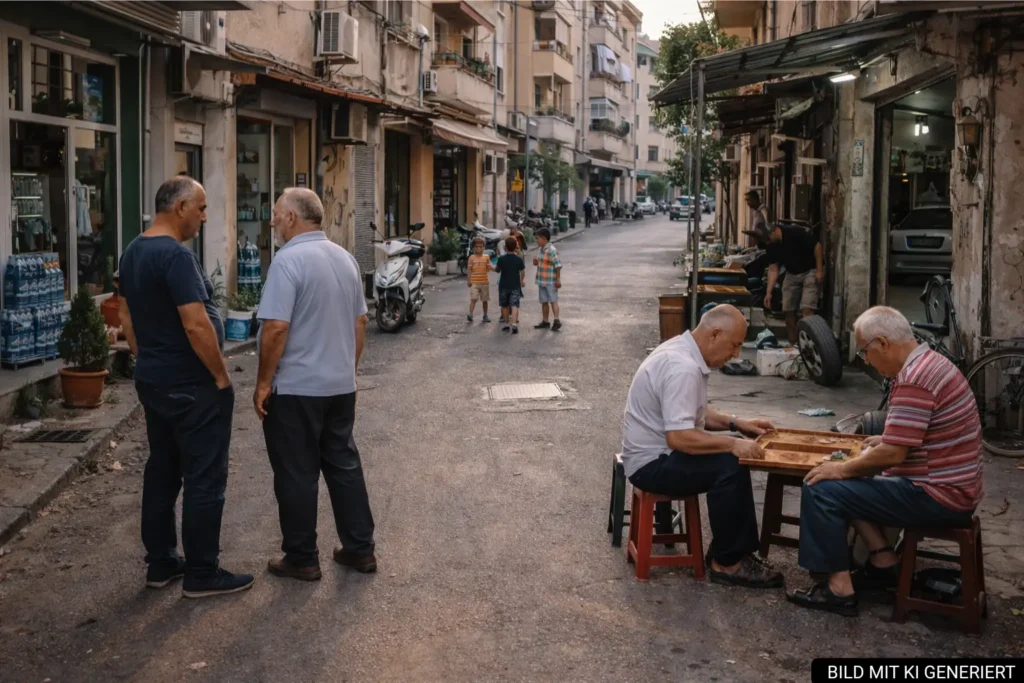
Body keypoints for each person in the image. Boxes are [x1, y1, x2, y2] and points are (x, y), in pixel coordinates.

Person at [788, 306, 983, 616]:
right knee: (851, 478)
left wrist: (841, 468)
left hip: (939, 496)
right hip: (954, 488)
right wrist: (885, 439)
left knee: (821, 487)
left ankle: (838, 589)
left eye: (866, 352)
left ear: (882, 343)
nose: (867, 361)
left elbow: (894, 454)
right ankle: (882, 560)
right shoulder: (931, 363)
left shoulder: (915, 378)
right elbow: (916, 432)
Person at [118, 177, 253, 599]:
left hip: (155, 381)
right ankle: (201, 572)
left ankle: (161, 563)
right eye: (201, 207)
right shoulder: (176, 256)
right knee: (204, 477)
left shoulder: (133, 250)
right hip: (192, 385)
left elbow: (126, 315)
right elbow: (196, 324)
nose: (204, 216)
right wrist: (220, 376)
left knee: (163, 469)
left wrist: (147, 358)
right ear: (179, 208)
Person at [254, 187, 377, 581]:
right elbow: (360, 322)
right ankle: (360, 549)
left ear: (292, 218)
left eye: (277, 213)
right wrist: (346, 370)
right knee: (344, 465)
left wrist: (262, 383)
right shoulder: (345, 258)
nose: (273, 221)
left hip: (297, 389)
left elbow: (276, 328)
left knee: (296, 473)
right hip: (340, 386)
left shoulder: (287, 261)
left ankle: (302, 558)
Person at [621, 305, 784, 588]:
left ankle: (731, 551)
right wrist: (732, 444)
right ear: (715, 335)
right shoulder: (682, 366)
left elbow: (693, 412)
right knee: (729, 466)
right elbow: (679, 437)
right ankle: (728, 562)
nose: (736, 355)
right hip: (652, 463)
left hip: (656, 454)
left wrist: (737, 424)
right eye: (734, 345)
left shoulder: (683, 350)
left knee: (731, 457)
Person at [745, 218, 823, 346]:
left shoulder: (794, 232)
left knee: (807, 309)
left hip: (809, 271)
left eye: (768, 239)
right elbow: (773, 269)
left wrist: (819, 270)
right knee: (788, 310)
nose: (768, 242)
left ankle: (807, 344)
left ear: (774, 231)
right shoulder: (771, 245)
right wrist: (768, 292)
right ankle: (793, 344)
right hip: (791, 273)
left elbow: (817, 246)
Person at [532, 227, 562, 331]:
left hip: (550, 281)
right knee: (544, 301)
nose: (536, 241)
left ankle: (556, 320)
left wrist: (558, 279)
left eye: (538, 238)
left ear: (544, 238)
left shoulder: (552, 250)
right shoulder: (540, 249)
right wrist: (536, 262)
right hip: (541, 280)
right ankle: (545, 321)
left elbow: (558, 265)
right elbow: (541, 262)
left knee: (553, 300)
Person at [495, 236, 526, 334]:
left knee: (504, 305)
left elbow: (497, 270)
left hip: (503, 285)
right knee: (514, 305)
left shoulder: (501, 259)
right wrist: (522, 280)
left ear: (505, 247)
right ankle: (514, 324)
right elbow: (522, 271)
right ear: (516, 246)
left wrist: (492, 267)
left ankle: (507, 324)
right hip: (515, 286)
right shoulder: (518, 259)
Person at [466, 236, 492, 323]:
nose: (478, 249)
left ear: (484, 247)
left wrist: (489, 267)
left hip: (484, 282)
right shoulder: (471, 258)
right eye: (476, 247)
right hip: (474, 282)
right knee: (473, 299)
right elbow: (469, 270)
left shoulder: (486, 257)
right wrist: (469, 280)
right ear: (473, 247)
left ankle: (485, 315)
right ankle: (470, 314)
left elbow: (488, 268)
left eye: (481, 247)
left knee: (485, 300)